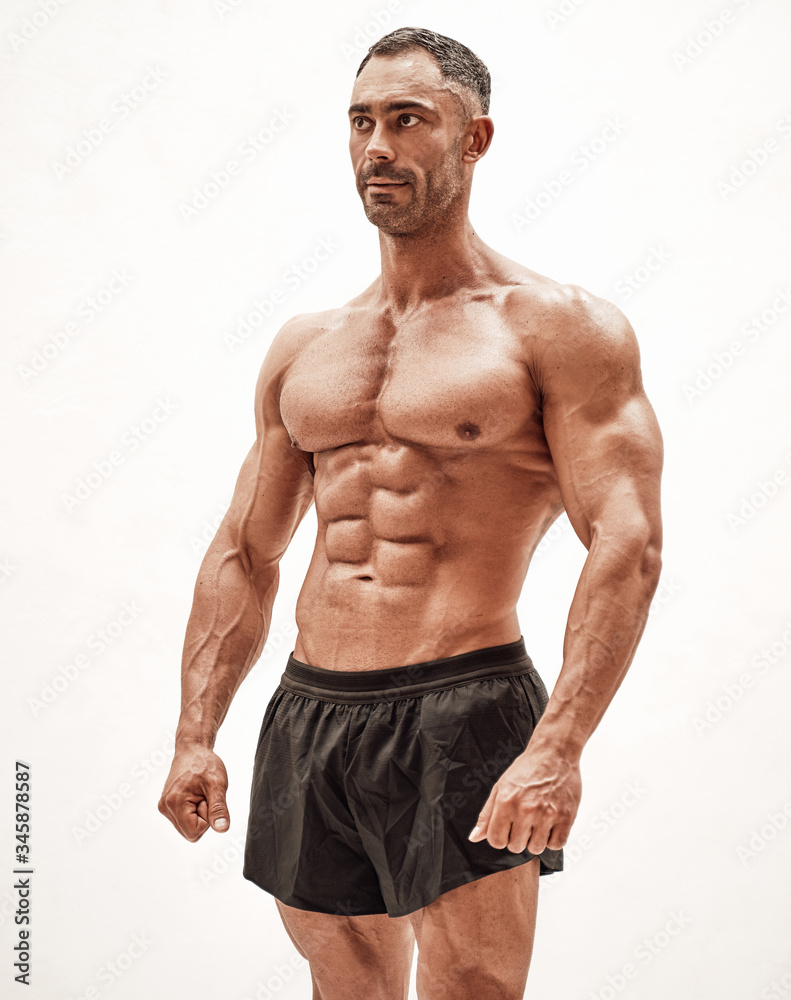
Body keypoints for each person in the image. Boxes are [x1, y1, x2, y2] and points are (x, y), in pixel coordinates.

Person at [158, 26, 663, 1000]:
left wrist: (554, 747)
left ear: (473, 140)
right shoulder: (306, 346)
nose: (375, 146)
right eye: (359, 122)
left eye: (405, 119)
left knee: (471, 982)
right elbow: (243, 551)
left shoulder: (556, 328)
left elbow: (626, 544)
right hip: (311, 711)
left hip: (465, 707)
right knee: (341, 978)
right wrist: (195, 732)